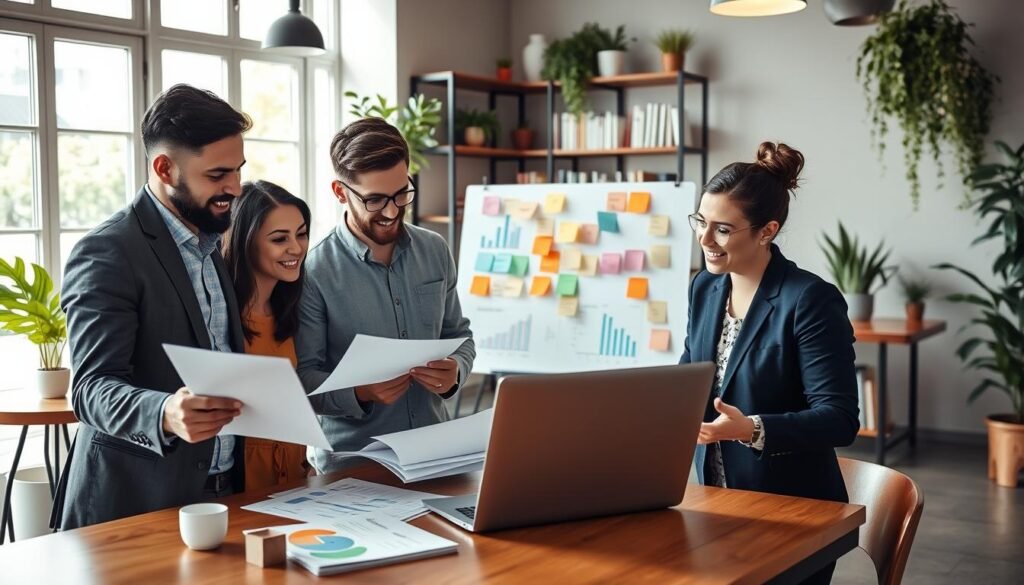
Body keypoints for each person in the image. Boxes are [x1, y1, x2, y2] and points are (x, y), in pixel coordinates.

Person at [55, 84, 251, 529]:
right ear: (164, 168)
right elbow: (90, 388)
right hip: (134, 506)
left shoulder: (209, 242)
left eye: (238, 170)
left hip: (222, 495)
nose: (235, 188)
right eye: (218, 174)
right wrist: (164, 412)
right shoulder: (108, 250)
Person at [679, 142, 859, 585]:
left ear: (767, 231)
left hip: (794, 512)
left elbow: (839, 420)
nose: (704, 240)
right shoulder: (705, 287)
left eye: (722, 229)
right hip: (716, 501)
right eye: (701, 222)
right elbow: (690, 374)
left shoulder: (809, 300)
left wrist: (750, 428)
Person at [296, 117, 475, 473]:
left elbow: (459, 336)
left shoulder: (435, 250)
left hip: (434, 454)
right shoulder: (313, 271)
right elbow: (303, 379)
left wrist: (456, 370)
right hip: (353, 468)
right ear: (340, 192)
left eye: (401, 193)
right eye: (375, 200)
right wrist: (361, 392)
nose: (392, 211)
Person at [223, 180, 312, 491]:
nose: (297, 248)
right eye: (279, 239)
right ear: (245, 242)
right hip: (240, 484)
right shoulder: (220, 316)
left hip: (294, 479)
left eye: (301, 234)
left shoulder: (291, 311)